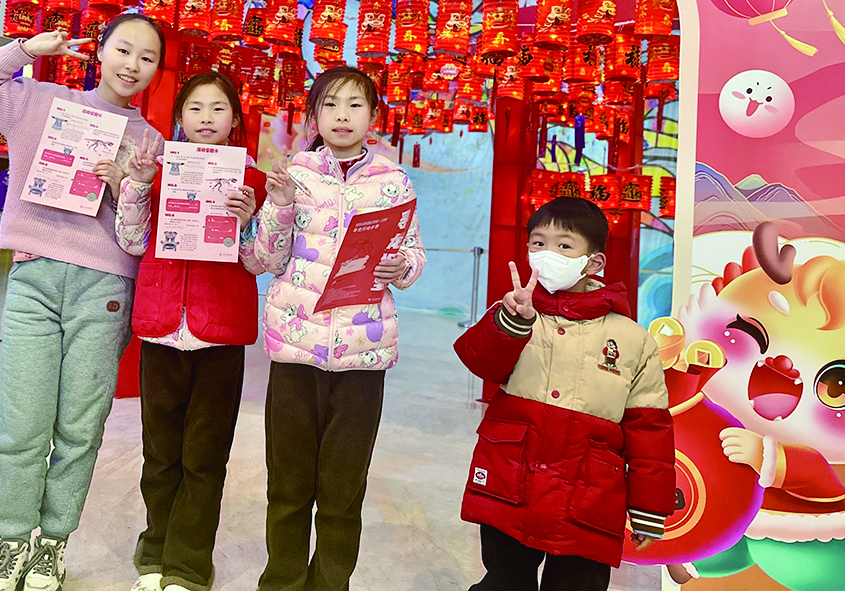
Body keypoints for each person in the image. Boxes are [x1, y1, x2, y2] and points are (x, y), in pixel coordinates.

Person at [0, 15, 165, 591]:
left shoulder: (150, 142)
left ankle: (52, 545)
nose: (132, 65)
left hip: (106, 290)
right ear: (100, 51)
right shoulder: (41, 102)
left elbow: (142, 237)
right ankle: (11, 541)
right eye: (123, 49)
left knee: (80, 426)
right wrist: (27, 49)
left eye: (147, 57)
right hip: (34, 279)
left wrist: (127, 187)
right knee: (21, 421)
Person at [253, 66, 425, 591]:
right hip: (295, 350)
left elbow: (412, 255)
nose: (342, 115)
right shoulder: (295, 174)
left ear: (374, 116)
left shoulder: (394, 182)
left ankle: (331, 583)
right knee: (288, 484)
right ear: (313, 116)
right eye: (330, 104)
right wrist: (281, 206)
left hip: (361, 356)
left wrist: (402, 266)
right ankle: (281, 582)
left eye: (355, 104)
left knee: (343, 489)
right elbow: (265, 258)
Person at [453, 197, 675, 591]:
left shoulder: (632, 340)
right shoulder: (516, 314)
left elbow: (650, 430)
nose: (547, 254)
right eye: (538, 243)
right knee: (504, 582)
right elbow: (479, 361)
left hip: (588, 498)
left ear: (594, 262)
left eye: (564, 245)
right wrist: (511, 323)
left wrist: (648, 508)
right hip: (511, 483)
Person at [115, 72, 267, 591]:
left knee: (205, 458)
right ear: (179, 117)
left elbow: (259, 260)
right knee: (160, 455)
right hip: (161, 330)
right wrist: (137, 186)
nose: (206, 118)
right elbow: (132, 242)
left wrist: (249, 220)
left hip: (219, 337)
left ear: (234, 119)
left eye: (218, 108)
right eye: (195, 108)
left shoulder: (253, 183)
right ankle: (156, 547)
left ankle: (189, 564)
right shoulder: (159, 173)